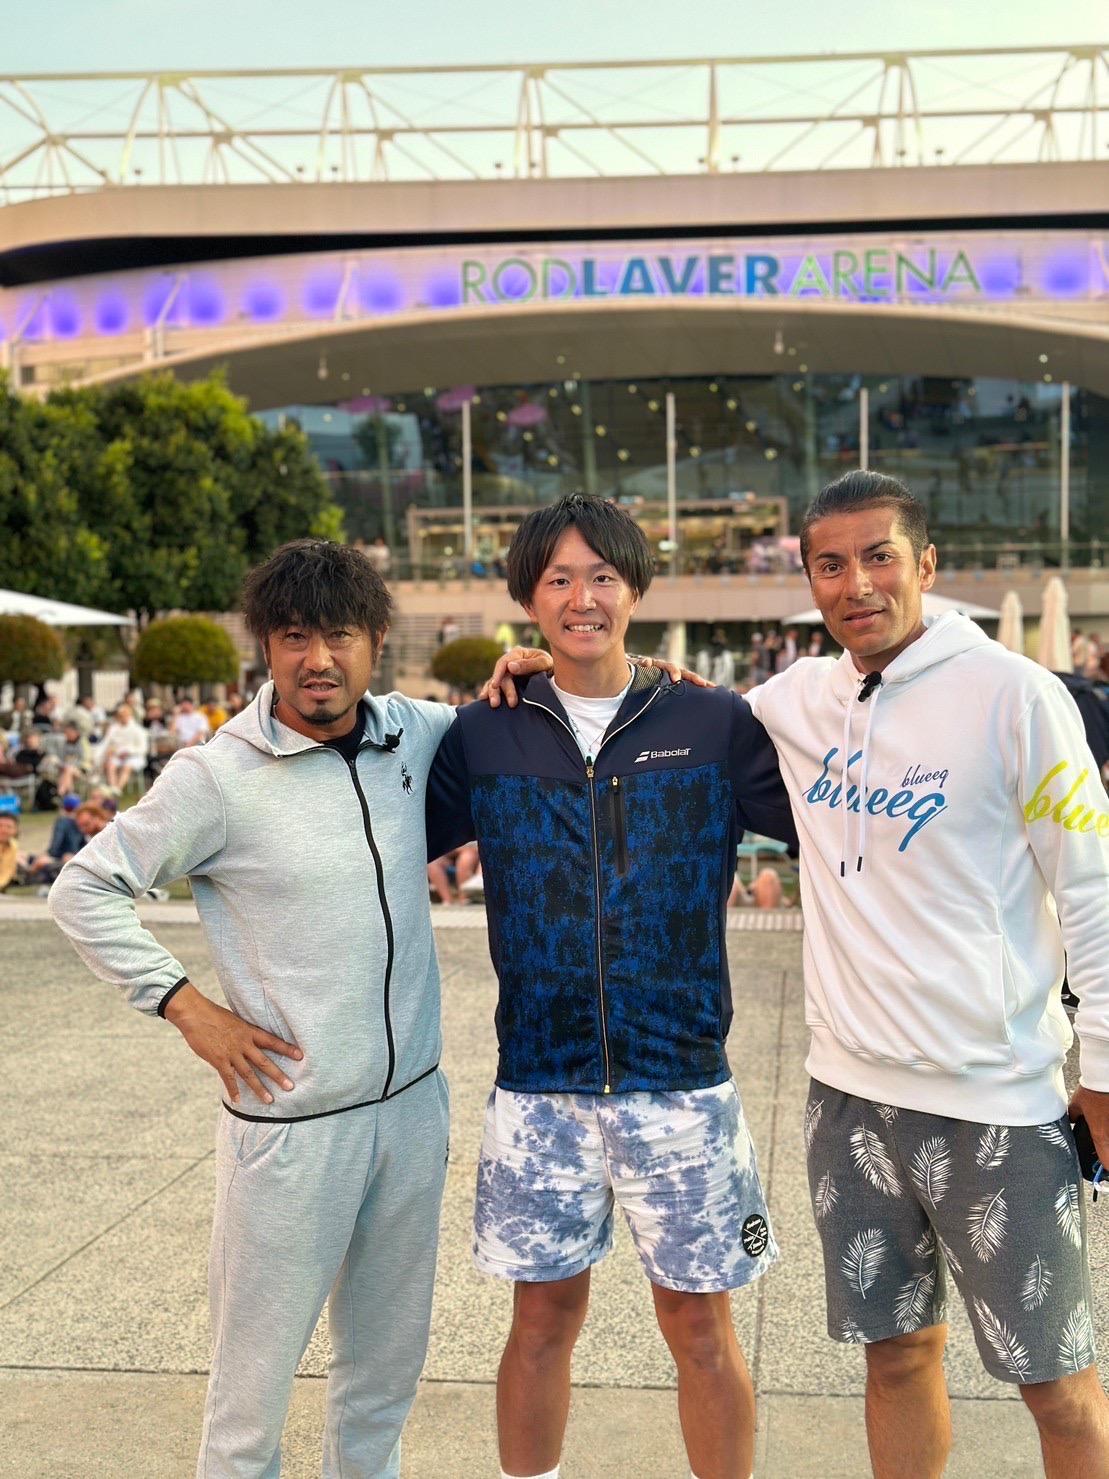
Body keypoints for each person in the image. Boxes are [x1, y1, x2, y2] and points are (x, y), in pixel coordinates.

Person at [47, 538, 603, 1479]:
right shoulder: (216, 777)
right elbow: (83, 888)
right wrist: (187, 1007)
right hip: (291, 1130)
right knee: (250, 1400)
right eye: (294, 636)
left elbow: (524, 714)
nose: (318, 659)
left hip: (410, 1111)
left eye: (339, 634)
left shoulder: (415, 733)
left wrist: (534, 667)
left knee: (382, 1381)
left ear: (375, 641)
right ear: (265, 646)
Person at [744, 470, 1109, 1479]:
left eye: (878, 557)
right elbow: (668, 701)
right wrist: (546, 665)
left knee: (1057, 1383)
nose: (855, 583)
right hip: (845, 1100)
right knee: (896, 1357)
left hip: (997, 1100)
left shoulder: (1017, 697)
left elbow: (1092, 891)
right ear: (809, 581)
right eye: (829, 564)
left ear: (926, 565)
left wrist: (1102, 1071)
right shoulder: (796, 699)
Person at [426, 494, 796, 1479]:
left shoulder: (713, 722)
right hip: (538, 1087)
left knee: (701, 1329)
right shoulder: (483, 733)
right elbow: (373, 818)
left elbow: (836, 816)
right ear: (528, 599)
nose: (581, 597)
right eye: (557, 579)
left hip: (681, 1084)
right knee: (539, 1321)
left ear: (634, 589)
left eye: (601, 576)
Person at [98, 704, 149, 791]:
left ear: (130, 716)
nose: (122, 718)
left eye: (125, 715)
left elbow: (143, 749)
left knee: (127, 767)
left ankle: (118, 789)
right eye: (120, 716)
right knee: (110, 765)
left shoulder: (138, 730)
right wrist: (110, 751)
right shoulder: (113, 729)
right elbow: (107, 743)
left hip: (134, 756)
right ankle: (113, 788)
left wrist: (129, 752)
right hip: (117, 755)